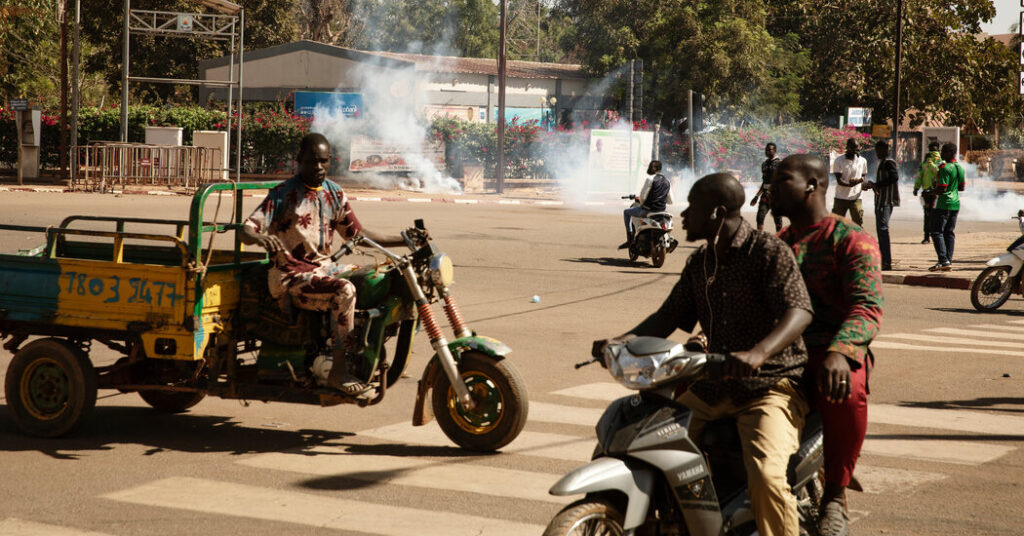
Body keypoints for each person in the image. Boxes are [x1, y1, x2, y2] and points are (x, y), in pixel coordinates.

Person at [596, 173, 813, 536]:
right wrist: (618, 342)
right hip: (712, 386)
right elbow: (668, 317)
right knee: (645, 441)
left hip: (769, 387)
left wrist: (758, 354)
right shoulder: (701, 262)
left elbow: (799, 311)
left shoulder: (768, 252)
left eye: (692, 208)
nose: (683, 215)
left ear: (716, 212)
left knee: (766, 477)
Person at [239, 133, 406, 395]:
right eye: (312, 161)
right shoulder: (282, 195)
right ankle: (339, 370)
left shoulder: (334, 193)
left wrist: (404, 239)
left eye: (323, 161)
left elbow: (357, 236)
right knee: (344, 291)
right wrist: (260, 238)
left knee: (377, 275)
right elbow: (246, 229)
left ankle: (362, 349)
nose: (318, 167)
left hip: (323, 269)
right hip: (290, 277)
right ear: (299, 160)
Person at [771, 154, 883, 536]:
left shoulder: (850, 238)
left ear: (813, 186)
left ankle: (834, 494)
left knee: (847, 391)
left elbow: (867, 307)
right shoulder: (775, 244)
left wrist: (841, 351)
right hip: (780, 353)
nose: (770, 188)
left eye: (781, 180)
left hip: (828, 351)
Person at [619, 160, 675, 249]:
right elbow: (671, 201)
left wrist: (641, 201)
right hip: (662, 212)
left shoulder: (650, 179)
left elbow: (643, 197)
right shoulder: (667, 181)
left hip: (647, 210)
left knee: (626, 212)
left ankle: (629, 239)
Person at [864, 140, 900, 271]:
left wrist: (877, 185)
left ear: (885, 150)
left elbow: (894, 177)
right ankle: (884, 260)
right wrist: (873, 185)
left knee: (883, 230)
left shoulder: (889, 162)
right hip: (880, 200)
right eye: (876, 151)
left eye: (879, 150)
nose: (877, 153)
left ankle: (886, 261)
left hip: (885, 201)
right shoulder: (883, 163)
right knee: (881, 231)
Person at [929, 143, 965, 271]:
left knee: (936, 232)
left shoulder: (945, 168)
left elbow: (942, 189)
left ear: (950, 153)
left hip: (944, 204)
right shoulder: (959, 167)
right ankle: (948, 261)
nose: (941, 154)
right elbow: (961, 187)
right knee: (949, 233)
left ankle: (943, 260)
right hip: (955, 204)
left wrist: (929, 192)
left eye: (944, 152)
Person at [830, 139, 867, 226]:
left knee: (858, 223)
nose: (855, 151)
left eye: (857, 149)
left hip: (856, 197)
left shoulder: (862, 161)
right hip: (841, 197)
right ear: (847, 148)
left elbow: (863, 176)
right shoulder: (839, 161)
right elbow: (839, 181)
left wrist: (863, 183)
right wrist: (850, 184)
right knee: (837, 223)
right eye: (853, 149)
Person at [751, 142, 785, 232]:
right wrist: (756, 196)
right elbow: (764, 182)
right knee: (760, 217)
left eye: (770, 150)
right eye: (766, 150)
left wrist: (772, 190)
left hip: (776, 196)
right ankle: (759, 238)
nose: (768, 152)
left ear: (775, 150)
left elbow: (781, 181)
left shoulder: (780, 164)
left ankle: (779, 239)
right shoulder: (764, 164)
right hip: (765, 195)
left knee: (777, 220)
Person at [913, 142, 941, 244]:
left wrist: (931, 164)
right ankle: (927, 236)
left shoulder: (940, 162)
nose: (933, 153)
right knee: (928, 214)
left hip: (936, 192)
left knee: (933, 215)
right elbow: (919, 176)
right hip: (927, 193)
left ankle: (934, 236)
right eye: (931, 150)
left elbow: (939, 173)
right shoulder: (925, 163)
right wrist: (916, 188)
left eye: (934, 150)